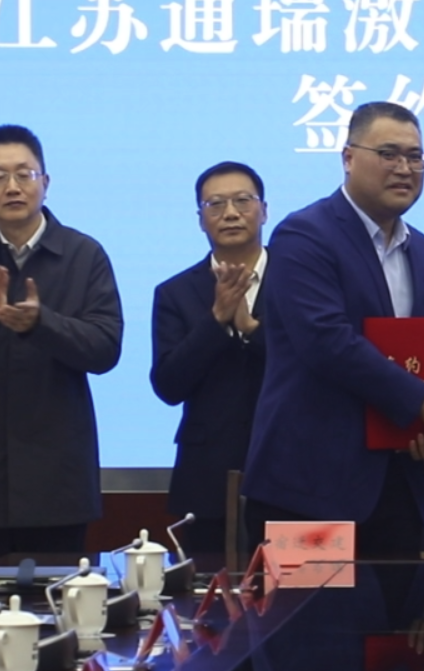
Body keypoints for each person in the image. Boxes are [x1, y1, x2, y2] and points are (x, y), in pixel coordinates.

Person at [243, 101, 424, 558]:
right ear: (347, 157)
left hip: (398, 487)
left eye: (416, 156)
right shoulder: (304, 235)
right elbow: (329, 343)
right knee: (307, 608)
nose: (405, 168)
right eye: (388, 154)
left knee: (396, 605)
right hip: (310, 487)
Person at [0, 124, 123, 574]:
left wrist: (42, 323)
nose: (13, 187)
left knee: (55, 611)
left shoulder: (84, 255)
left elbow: (105, 349)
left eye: (24, 174)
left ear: (45, 182)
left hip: (57, 487)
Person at [150, 161, 270, 555]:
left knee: (292, 589)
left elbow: (315, 362)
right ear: (200, 219)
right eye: (215, 204)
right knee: (209, 590)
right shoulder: (175, 293)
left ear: (264, 210)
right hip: (207, 476)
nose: (231, 213)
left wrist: (251, 328)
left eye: (243, 201)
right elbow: (168, 385)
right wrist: (216, 320)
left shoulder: (301, 281)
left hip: (289, 467)